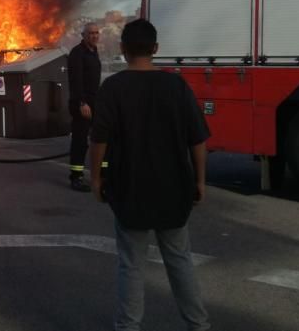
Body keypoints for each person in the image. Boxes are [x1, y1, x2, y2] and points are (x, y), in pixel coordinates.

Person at [89, 18, 210, 331]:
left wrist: (97, 179)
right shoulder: (177, 86)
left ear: (123, 49)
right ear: (156, 49)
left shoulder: (112, 88)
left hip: (129, 190)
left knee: (131, 264)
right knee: (179, 260)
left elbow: (98, 141)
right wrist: (199, 181)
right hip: (174, 189)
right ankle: (198, 325)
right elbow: (197, 139)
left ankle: (128, 326)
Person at [66, 22, 102, 191]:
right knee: (80, 141)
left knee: (102, 138)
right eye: (90, 33)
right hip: (82, 104)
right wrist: (82, 103)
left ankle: (103, 174)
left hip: (95, 103)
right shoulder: (77, 54)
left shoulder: (94, 52)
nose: (94, 36)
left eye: (96, 33)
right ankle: (76, 177)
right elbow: (76, 81)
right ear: (84, 35)